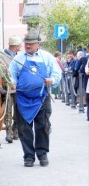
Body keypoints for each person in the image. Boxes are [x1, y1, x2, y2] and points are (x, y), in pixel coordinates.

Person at [9, 28, 62, 167]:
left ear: (38, 43)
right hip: (22, 99)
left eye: (31, 43)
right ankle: (28, 156)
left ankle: (42, 153)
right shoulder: (18, 59)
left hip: (41, 98)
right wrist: (12, 82)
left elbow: (57, 73)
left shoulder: (47, 57)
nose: (28, 46)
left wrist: (52, 80)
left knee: (42, 126)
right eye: (26, 43)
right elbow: (11, 74)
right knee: (24, 128)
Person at [2, 36, 22, 143]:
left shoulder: (18, 56)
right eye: (19, 45)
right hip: (8, 87)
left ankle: (16, 128)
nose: (21, 46)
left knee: (19, 109)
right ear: (14, 46)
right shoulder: (2, 56)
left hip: (19, 87)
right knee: (8, 110)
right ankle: (8, 131)